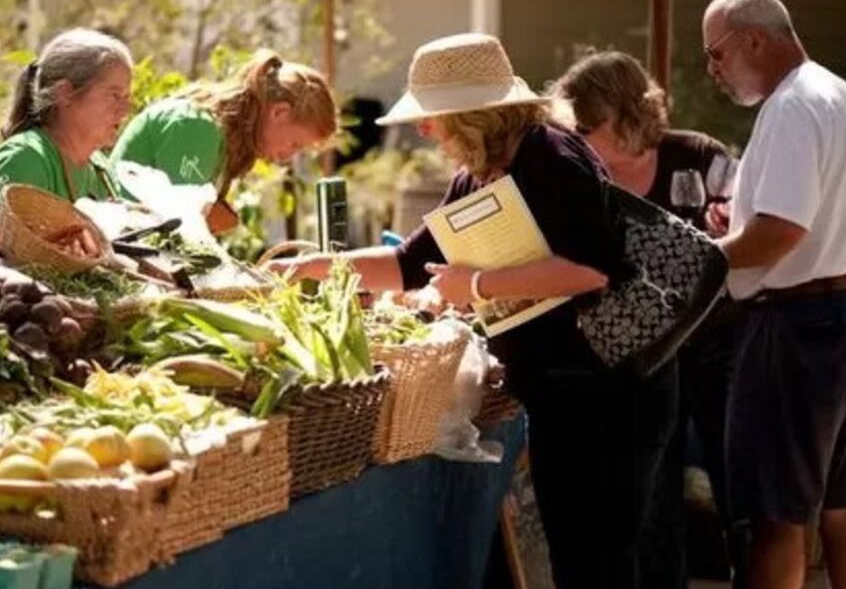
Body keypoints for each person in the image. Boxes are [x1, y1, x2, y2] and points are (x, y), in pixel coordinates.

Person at [269, 33, 676, 588]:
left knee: (599, 560)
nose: (423, 130)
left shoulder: (549, 154)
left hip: (612, 392)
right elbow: (409, 265)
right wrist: (311, 266)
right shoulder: (478, 172)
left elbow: (591, 270)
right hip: (560, 393)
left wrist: (479, 283)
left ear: (470, 115)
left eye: (432, 118)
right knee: (576, 558)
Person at [702, 0, 846, 589]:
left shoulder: (790, 106)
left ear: (753, 38)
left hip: (800, 326)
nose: (714, 71)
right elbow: (807, 217)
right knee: (842, 508)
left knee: (775, 519)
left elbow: (782, 231)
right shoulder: (843, 94)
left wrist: (703, 258)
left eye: (717, 54)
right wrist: (743, 228)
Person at [553, 51, 740, 588]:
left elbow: (742, 236)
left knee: (737, 488)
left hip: (715, 346)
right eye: (573, 129)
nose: (579, 139)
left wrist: (728, 225)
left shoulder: (698, 157)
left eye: (587, 126)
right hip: (640, 363)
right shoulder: (579, 174)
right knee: (653, 505)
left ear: (628, 112)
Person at [110, 49, 336, 233]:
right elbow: (177, 230)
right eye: (294, 144)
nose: (287, 156)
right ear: (279, 112)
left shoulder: (219, 140)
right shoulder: (197, 128)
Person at [0, 28, 134, 245]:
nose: (125, 109)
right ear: (65, 93)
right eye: (114, 95)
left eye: (127, 97)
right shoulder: (28, 157)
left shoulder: (101, 170)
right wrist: (63, 241)